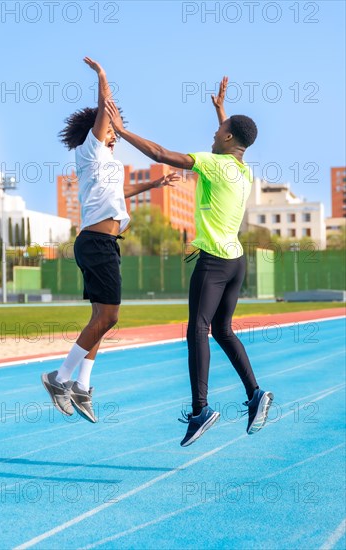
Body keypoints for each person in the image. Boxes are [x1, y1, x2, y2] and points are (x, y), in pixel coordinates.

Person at [104, 76, 274, 446]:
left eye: (219, 131)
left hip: (213, 262)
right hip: (236, 262)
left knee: (197, 329)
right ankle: (255, 394)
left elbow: (161, 154)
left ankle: (200, 411)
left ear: (227, 139)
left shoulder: (213, 164)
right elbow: (234, 141)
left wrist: (121, 130)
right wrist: (221, 112)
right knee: (223, 330)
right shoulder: (244, 171)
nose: (214, 135)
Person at [42, 57, 179, 423]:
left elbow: (121, 190)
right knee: (111, 316)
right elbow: (104, 108)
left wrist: (154, 183)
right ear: (97, 131)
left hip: (104, 244)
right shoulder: (92, 148)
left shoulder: (107, 164)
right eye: (112, 130)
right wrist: (103, 77)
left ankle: (82, 386)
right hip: (96, 244)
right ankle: (60, 377)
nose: (115, 134)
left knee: (101, 316)